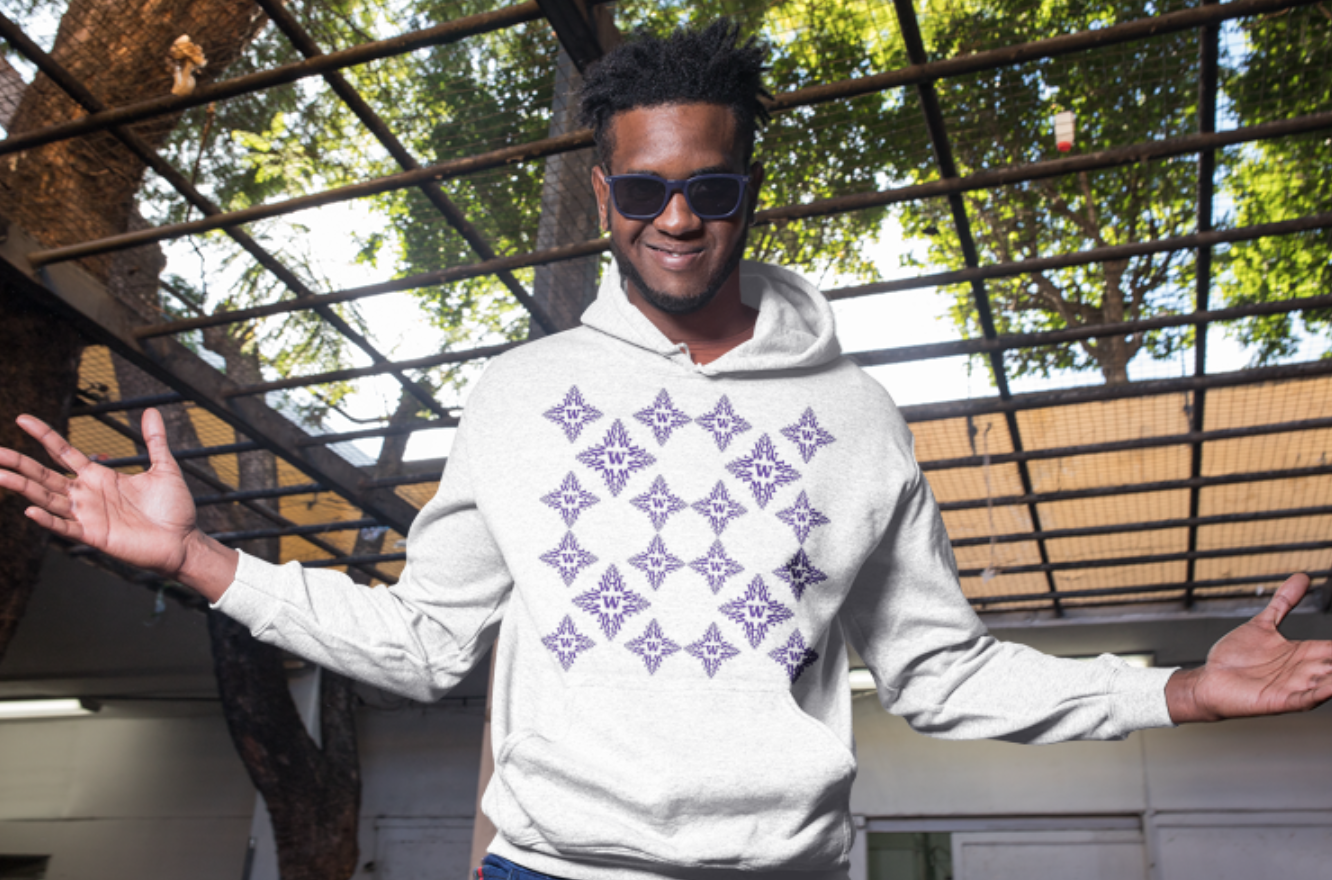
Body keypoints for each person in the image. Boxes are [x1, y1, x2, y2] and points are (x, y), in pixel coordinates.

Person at [2, 20, 1330, 880]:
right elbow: (427, 647)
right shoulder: (519, 396)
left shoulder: (858, 418)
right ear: (604, 195)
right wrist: (195, 562)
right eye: (643, 189)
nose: (677, 218)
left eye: (711, 187)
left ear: (752, 189)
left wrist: (1177, 692)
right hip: (550, 871)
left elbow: (940, 674)